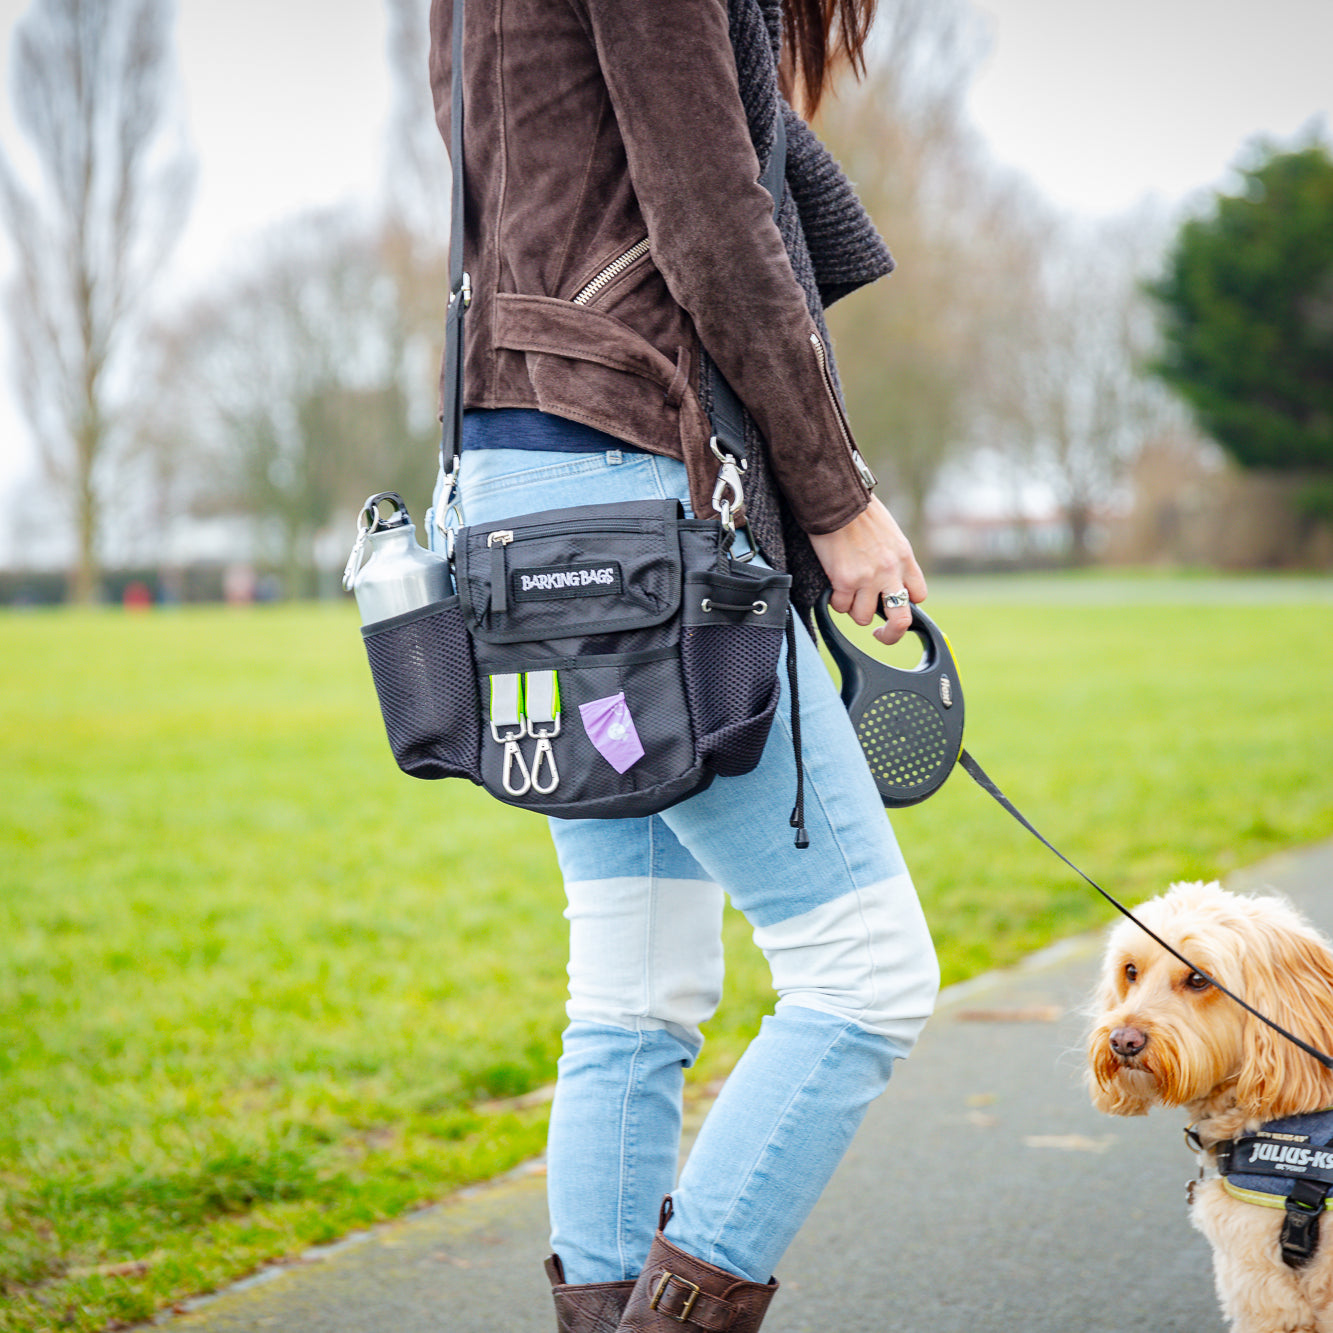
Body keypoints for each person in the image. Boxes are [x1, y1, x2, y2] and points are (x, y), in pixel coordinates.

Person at [426, 2, 939, 1329]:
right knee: (864, 974)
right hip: (635, 494)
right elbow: (713, 224)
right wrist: (835, 499)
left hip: (522, 493)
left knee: (635, 988)